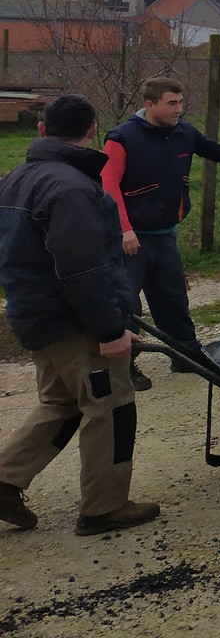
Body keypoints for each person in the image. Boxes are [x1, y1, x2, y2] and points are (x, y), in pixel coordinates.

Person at [0, 94, 161, 536]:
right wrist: (110, 329)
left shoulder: (15, 179)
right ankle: (105, 508)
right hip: (75, 321)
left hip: (34, 314)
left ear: (41, 129)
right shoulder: (72, 188)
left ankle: (5, 479)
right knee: (111, 405)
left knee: (63, 402)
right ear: (93, 130)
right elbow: (82, 269)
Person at [102, 76, 220, 390]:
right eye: (171, 103)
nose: (179, 109)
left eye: (180, 102)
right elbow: (108, 184)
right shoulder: (122, 138)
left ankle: (184, 354)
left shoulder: (184, 132)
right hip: (130, 238)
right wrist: (124, 229)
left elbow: (216, 151)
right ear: (149, 105)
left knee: (172, 296)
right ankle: (123, 366)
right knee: (125, 302)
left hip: (164, 235)